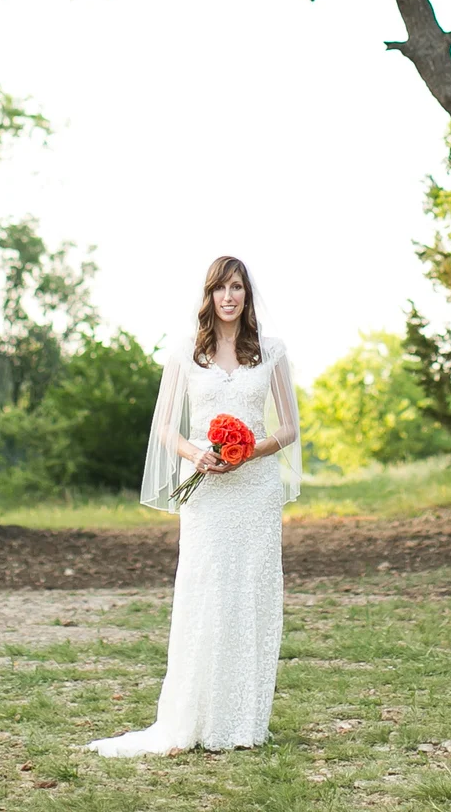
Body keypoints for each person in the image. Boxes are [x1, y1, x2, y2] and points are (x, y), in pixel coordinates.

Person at [86, 255, 301, 755]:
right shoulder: (187, 353)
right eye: (221, 288)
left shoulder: (271, 352)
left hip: (254, 490)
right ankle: (193, 717)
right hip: (205, 491)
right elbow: (164, 426)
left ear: (248, 296)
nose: (229, 297)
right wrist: (196, 454)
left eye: (238, 288)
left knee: (250, 595)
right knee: (205, 594)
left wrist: (251, 450)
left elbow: (288, 427)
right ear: (208, 297)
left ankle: (242, 722)